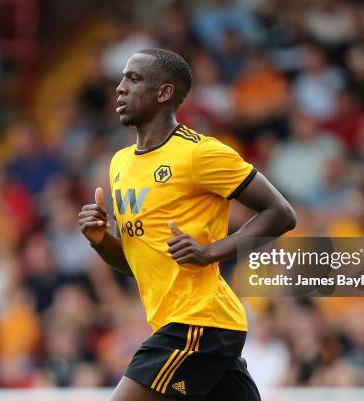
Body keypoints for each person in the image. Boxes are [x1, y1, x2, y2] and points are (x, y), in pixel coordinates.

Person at [78, 48, 296, 401]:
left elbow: (281, 213)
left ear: (164, 92)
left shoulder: (199, 154)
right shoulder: (120, 164)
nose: (120, 88)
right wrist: (101, 239)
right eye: (121, 78)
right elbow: (137, 264)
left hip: (199, 323)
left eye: (133, 79)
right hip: (181, 324)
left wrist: (211, 252)